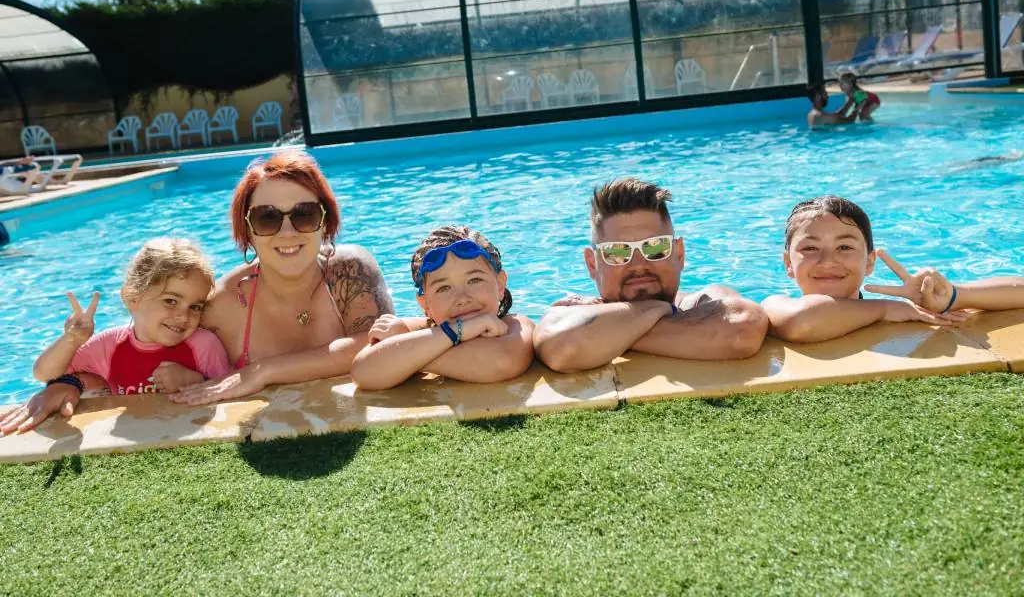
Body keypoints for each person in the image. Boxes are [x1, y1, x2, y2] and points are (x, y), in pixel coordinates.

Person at [169, 150, 393, 405]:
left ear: (325, 222)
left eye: (304, 214)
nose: (287, 232)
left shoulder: (351, 271)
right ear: (248, 231)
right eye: (267, 218)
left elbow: (379, 344)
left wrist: (263, 371)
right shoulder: (220, 306)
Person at [533, 178, 768, 373]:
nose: (638, 264)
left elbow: (743, 328)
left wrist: (607, 335)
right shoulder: (570, 311)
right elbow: (561, 347)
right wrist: (661, 310)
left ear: (679, 254)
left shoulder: (702, 299)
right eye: (617, 251)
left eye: (655, 247)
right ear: (592, 265)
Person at [1, 238, 230, 435]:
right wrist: (72, 340)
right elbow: (44, 373)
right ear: (132, 298)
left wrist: (195, 382)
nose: (183, 316)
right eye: (170, 301)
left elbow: (231, 394)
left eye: (195, 307)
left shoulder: (203, 344)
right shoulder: (110, 345)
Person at [762, 195, 1024, 343]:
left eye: (844, 247)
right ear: (788, 264)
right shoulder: (776, 306)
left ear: (869, 263)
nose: (828, 261)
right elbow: (803, 322)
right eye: (810, 248)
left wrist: (954, 297)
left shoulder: (909, 310)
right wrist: (886, 308)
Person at [351, 226, 534, 390]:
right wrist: (458, 331)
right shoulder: (420, 328)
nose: (462, 298)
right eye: (443, 288)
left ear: (500, 285)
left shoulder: (516, 325)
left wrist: (407, 353)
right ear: (425, 304)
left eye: (475, 280)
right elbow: (364, 372)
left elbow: (502, 362)